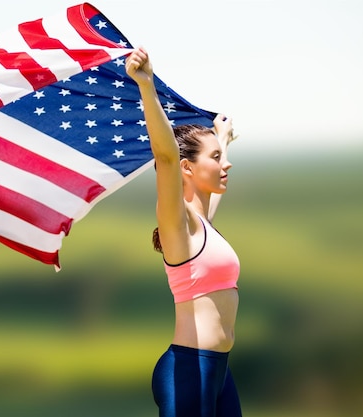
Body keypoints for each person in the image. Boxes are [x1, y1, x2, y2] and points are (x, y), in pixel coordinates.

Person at [126, 47, 242, 417]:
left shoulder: (201, 223)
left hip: (219, 372)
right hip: (189, 371)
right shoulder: (179, 225)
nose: (226, 164)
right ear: (187, 169)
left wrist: (220, 139)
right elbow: (166, 157)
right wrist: (146, 86)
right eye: (216, 160)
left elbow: (201, 177)